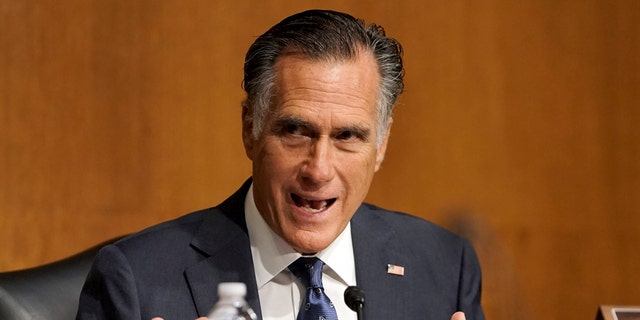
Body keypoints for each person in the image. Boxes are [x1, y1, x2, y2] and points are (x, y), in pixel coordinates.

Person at [76, 9, 485, 320]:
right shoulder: (136, 281)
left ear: (380, 145)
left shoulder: (445, 267)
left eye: (347, 136)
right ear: (250, 130)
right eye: (295, 130)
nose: (318, 169)